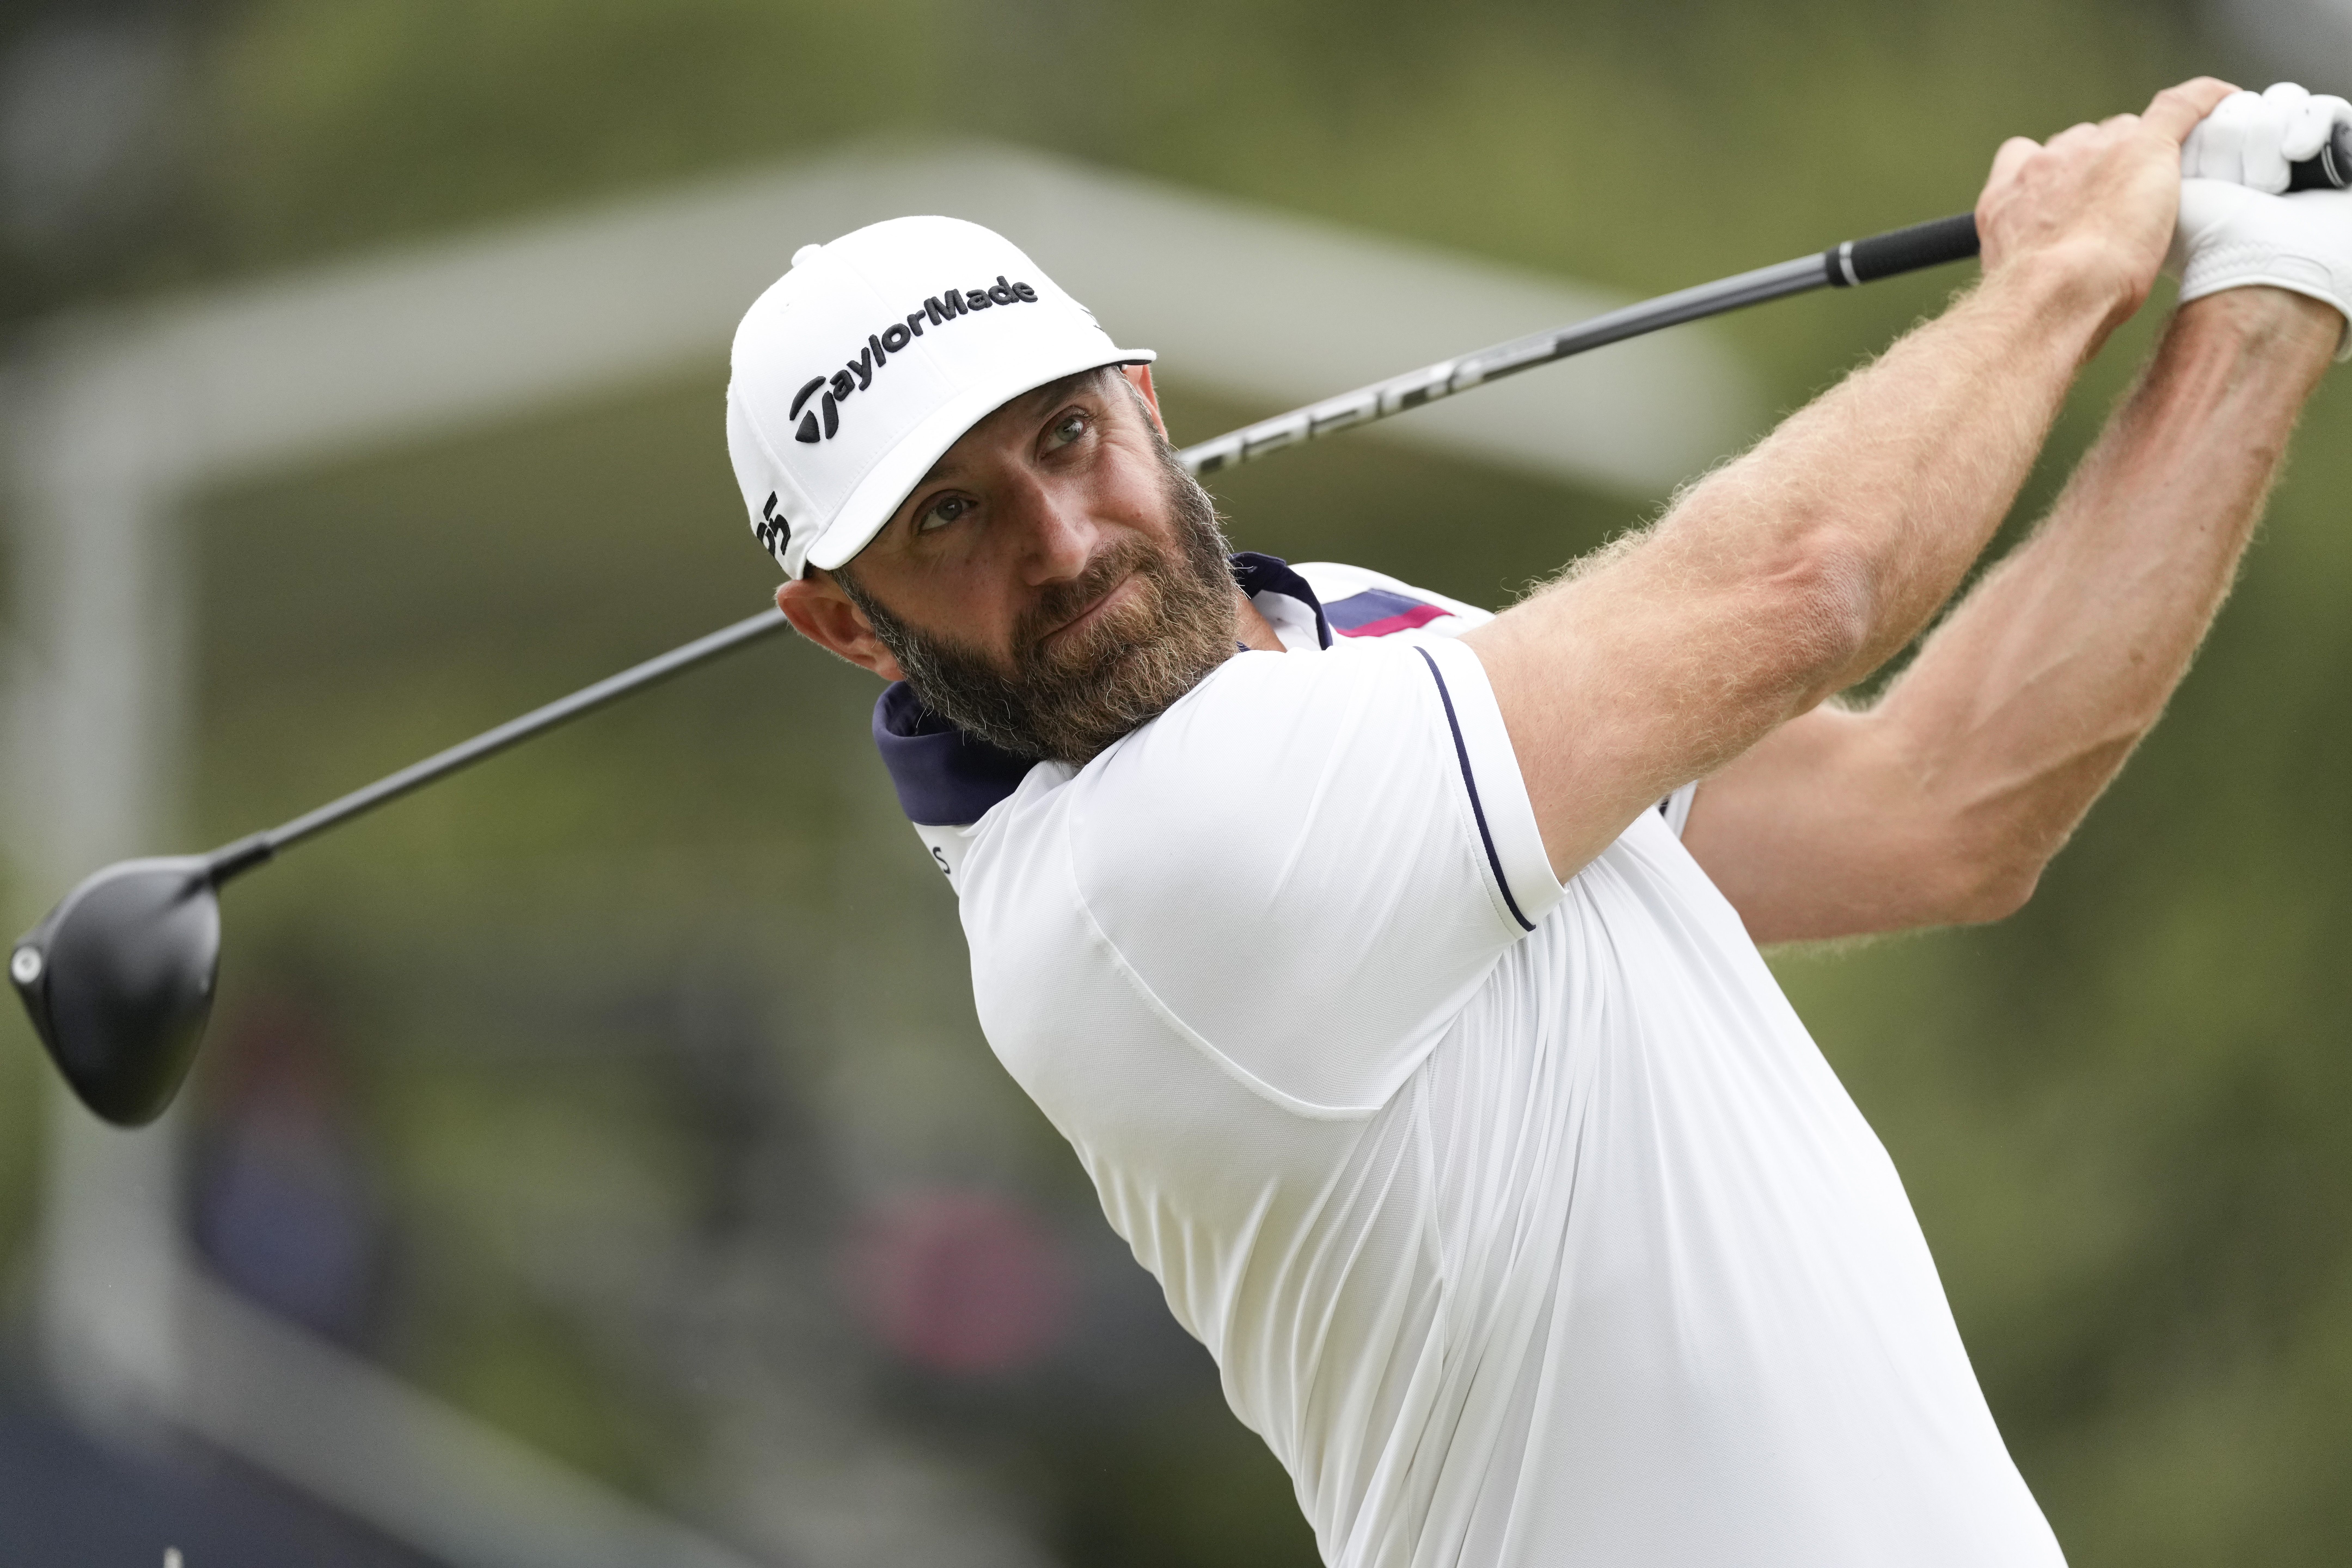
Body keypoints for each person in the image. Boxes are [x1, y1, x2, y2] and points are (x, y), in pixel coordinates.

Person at [723, 78, 2350, 1567]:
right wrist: (2064, 274)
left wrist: (2267, 294)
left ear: (1144, 403)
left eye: (1066, 436)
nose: (1066, 542)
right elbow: (1804, 587)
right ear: (849, 625)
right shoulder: (1140, 873)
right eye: (952, 517)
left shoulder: (1346, 646)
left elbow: (1939, 804)